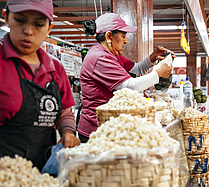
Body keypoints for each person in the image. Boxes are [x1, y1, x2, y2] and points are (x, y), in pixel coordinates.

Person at [0, 0, 80, 171]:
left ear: (49, 28)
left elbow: (64, 111)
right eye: (20, 20)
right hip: (4, 176)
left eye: (38, 24)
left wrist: (67, 132)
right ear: (6, 17)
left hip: (43, 172)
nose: (28, 31)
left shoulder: (55, 68)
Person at [78, 13, 174, 143]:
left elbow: (136, 69)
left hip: (108, 126)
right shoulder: (100, 58)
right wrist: (158, 73)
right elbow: (129, 86)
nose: (126, 41)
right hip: (96, 130)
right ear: (109, 36)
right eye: (123, 36)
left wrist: (152, 58)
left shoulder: (112, 54)